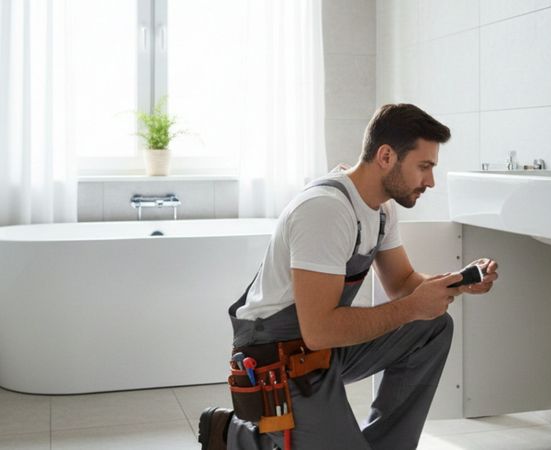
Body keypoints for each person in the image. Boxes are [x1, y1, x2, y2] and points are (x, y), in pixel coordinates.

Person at [198, 103, 499, 450]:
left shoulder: (381, 208)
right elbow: (320, 329)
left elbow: (402, 283)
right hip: (276, 357)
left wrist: (459, 283)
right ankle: (233, 435)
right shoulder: (325, 210)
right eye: (424, 167)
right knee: (416, 316)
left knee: (432, 327)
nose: (430, 181)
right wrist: (413, 306)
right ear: (386, 156)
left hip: (322, 348)